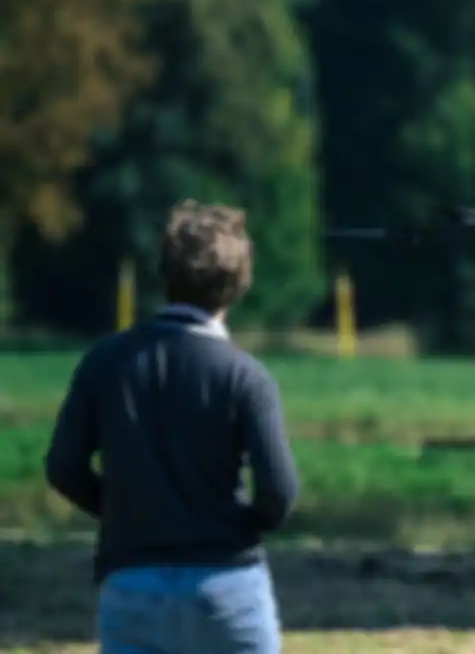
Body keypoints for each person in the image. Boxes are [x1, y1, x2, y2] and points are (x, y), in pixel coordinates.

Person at [44, 200, 301, 654]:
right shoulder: (245, 376)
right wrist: (237, 522)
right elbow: (279, 492)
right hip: (226, 583)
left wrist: (129, 511)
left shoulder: (105, 363)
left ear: (165, 274)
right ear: (239, 284)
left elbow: (64, 466)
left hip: (132, 579)